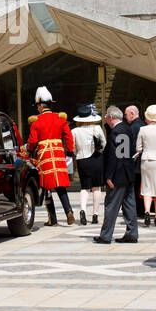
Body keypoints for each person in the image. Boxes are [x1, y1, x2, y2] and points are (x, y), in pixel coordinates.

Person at [25, 86, 75, 226]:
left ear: (41, 105)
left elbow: (33, 141)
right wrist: (70, 151)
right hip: (58, 155)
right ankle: (69, 211)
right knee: (60, 186)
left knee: (46, 187)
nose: (37, 109)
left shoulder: (36, 121)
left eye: (37, 106)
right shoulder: (60, 118)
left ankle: (52, 219)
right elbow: (68, 137)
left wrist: (29, 151)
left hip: (44, 156)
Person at [97, 105, 139, 244]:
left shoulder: (116, 132)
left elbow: (116, 156)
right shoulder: (127, 128)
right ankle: (132, 233)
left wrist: (109, 176)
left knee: (111, 206)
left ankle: (105, 235)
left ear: (111, 117)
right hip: (128, 172)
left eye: (107, 118)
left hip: (118, 175)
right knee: (129, 205)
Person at [71, 104, 106, 226]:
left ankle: (82, 210)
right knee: (96, 187)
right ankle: (95, 214)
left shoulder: (74, 131)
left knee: (85, 187)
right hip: (96, 159)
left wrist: (78, 154)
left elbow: (73, 148)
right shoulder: (97, 129)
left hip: (82, 160)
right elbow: (104, 144)